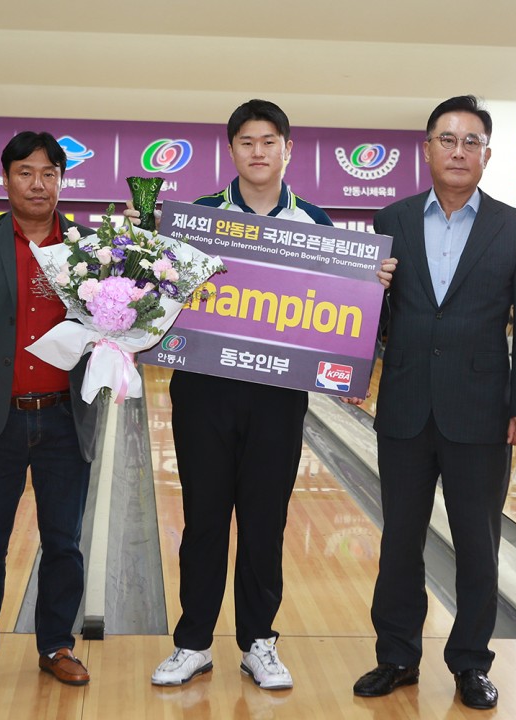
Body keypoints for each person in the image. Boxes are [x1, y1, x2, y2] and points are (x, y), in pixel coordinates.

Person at [148, 99, 395, 691]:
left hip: (278, 396)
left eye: (268, 142)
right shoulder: (198, 219)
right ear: (231, 150)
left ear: (288, 149)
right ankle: (193, 642)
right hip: (204, 392)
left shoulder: (316, 224)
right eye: (246, 142)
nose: (257, 152)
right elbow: (160, 299)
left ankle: (259, 641)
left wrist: (373, 287)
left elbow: (347, 315)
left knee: (265, 522)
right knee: (204, 520)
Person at [352, 95, 516, 711]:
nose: (458, 151)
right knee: (399, 541)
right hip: (406, 405)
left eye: (471, 141)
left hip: (482, 410)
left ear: (487, 154)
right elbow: (375, 316)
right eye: (447, 139)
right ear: (427, 148)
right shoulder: (392, 218)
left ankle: (469, 662)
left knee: (477, 545)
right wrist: (364, 299)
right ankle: (396, 656)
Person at [0, 131, 101, 689]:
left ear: (62, 180)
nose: (38, 184)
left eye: (49, 173)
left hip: (65, 416)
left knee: (64, 542)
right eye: (26, 172)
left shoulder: (90, 247)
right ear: (6, 179)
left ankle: (57, 644)